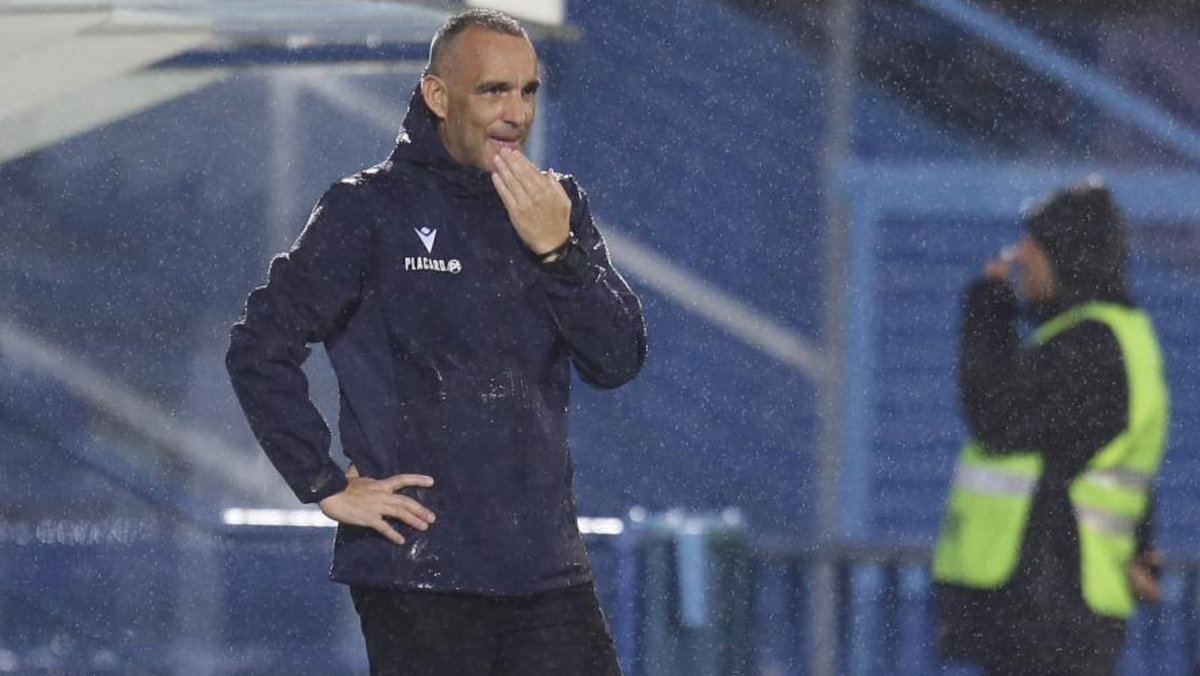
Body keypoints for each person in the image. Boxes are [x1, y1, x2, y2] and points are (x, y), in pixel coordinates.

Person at [225, 9, 646, 676]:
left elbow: (618, 360)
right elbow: (259, 347)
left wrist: (560, 254)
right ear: (438, 95)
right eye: (493, 90)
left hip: (546, 572)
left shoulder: (554, 205)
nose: (515, 113)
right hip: (418, 575)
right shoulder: (367, 208)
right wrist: (321, 482)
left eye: (527, 90)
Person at [932, 177, 1169, 676]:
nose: (1021, 255)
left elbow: (995, 414)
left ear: (1069, 255)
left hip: (1052, 610)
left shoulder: (1092, 344)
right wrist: (1141, 542)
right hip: (1059, 611)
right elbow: (1112, 461)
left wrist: (988, 309)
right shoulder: (1113, 338)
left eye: (1036, 244)